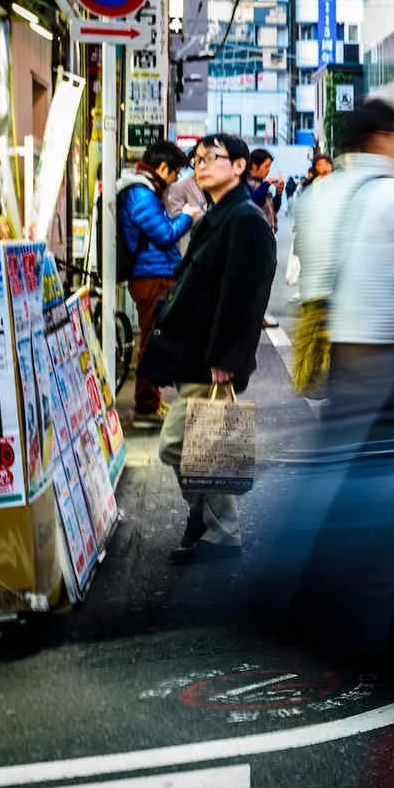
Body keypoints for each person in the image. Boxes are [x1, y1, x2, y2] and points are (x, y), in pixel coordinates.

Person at [139, 134, 278, 565]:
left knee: (178, 445)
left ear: (239, 166)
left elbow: (245, 295)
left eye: (211, 158)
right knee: (201, 445)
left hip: (210, 358)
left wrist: (227, 357)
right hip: (195, 349)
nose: (201, 165)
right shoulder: (220, 213)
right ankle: (213, 527)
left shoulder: (245, 220)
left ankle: (219, 528)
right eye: (197, 159)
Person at [297, 98, 394, 449]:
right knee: (393, 445)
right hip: (392, 347)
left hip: (337, 345)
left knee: (344, 441)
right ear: (380, 138)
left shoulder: (316, 195)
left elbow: (309, 266)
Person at [119, 140, 197, 425]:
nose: (175, 179)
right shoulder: (141, 194)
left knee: (156, 340)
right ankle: (146, 407)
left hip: (155, 274)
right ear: (162, 167)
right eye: (175, 173)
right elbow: (164, 234)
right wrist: (187, 217)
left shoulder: (146, 191)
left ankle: (152, 402)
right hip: (150, 276)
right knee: (152, 342)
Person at [245, 148, 279, 231]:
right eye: (266, 166)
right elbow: (254, 203)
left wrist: (278, 194)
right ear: (254, 166)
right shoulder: (244, 184)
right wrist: (265, 184)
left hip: (267, 234)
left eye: (269, 167)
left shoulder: (261, 184)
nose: (268, 170)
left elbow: (273, 209)